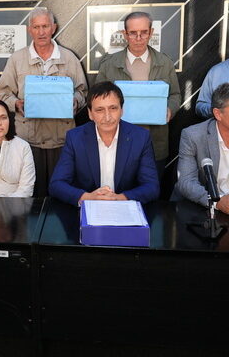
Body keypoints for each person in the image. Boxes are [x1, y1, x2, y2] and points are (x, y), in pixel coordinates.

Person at [0, 7, 87, 197]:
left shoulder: (69, 58)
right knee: (31, 194)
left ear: (54, 28)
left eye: (45, 26)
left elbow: (83, 91)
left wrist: (75, 102)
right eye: (36, 27)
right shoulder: (17, 59)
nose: (41, 32)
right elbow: (2, 93)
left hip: (62, 138)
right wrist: (16, 104)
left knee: (62, 193)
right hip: (28, 139)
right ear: (29, 30)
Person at [96, 11, 181, 178]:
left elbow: (175, 95)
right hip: (117, 139)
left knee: (151, 189)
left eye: (144, 32)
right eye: (133, 33)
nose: (139, 38)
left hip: (154, 140)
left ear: (151, 32)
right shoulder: (109, 64)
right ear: (125, 34)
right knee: (119, 188)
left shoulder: (165, 63)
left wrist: (169, 110)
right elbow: (97, 99)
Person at [49, 82, 159, 206]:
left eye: (113, 108)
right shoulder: (75, 138)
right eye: (100, 110)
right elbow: (57, 184)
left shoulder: (141, 137)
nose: (107, 117)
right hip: (88, 209)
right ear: (90, 114)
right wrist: (89, 197)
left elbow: (152, 187)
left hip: (125, 208)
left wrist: (119, 198)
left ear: (122, 110)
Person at [174, 83, 229, 213]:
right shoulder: (193, 136)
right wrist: (217, 202)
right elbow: (186, 182)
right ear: (218, 114)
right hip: (201, 209)